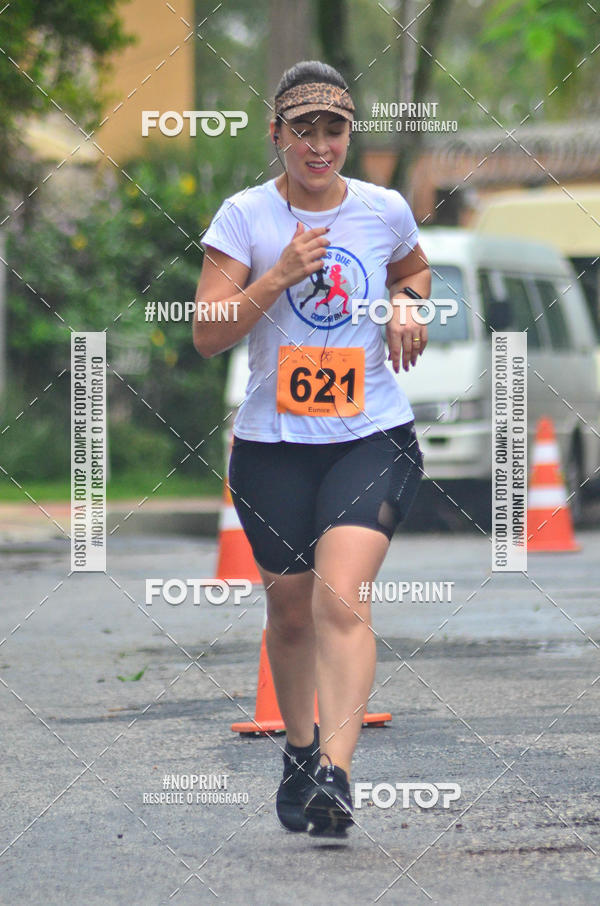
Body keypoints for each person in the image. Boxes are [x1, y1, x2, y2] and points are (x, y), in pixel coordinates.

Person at [194, 60, 431, 837]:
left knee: (339, 598)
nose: (319, 144)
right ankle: (298, 752)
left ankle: (336, 771)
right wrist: (277, 277)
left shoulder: (384, 208)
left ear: (348, 134)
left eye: (333, 129)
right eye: (304, 130)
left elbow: (416, 270)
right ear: (278, 136)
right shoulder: (245, 218)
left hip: (373, 437)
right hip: (272, 447)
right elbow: (207, 333)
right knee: (290, 612)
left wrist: (406, 305)